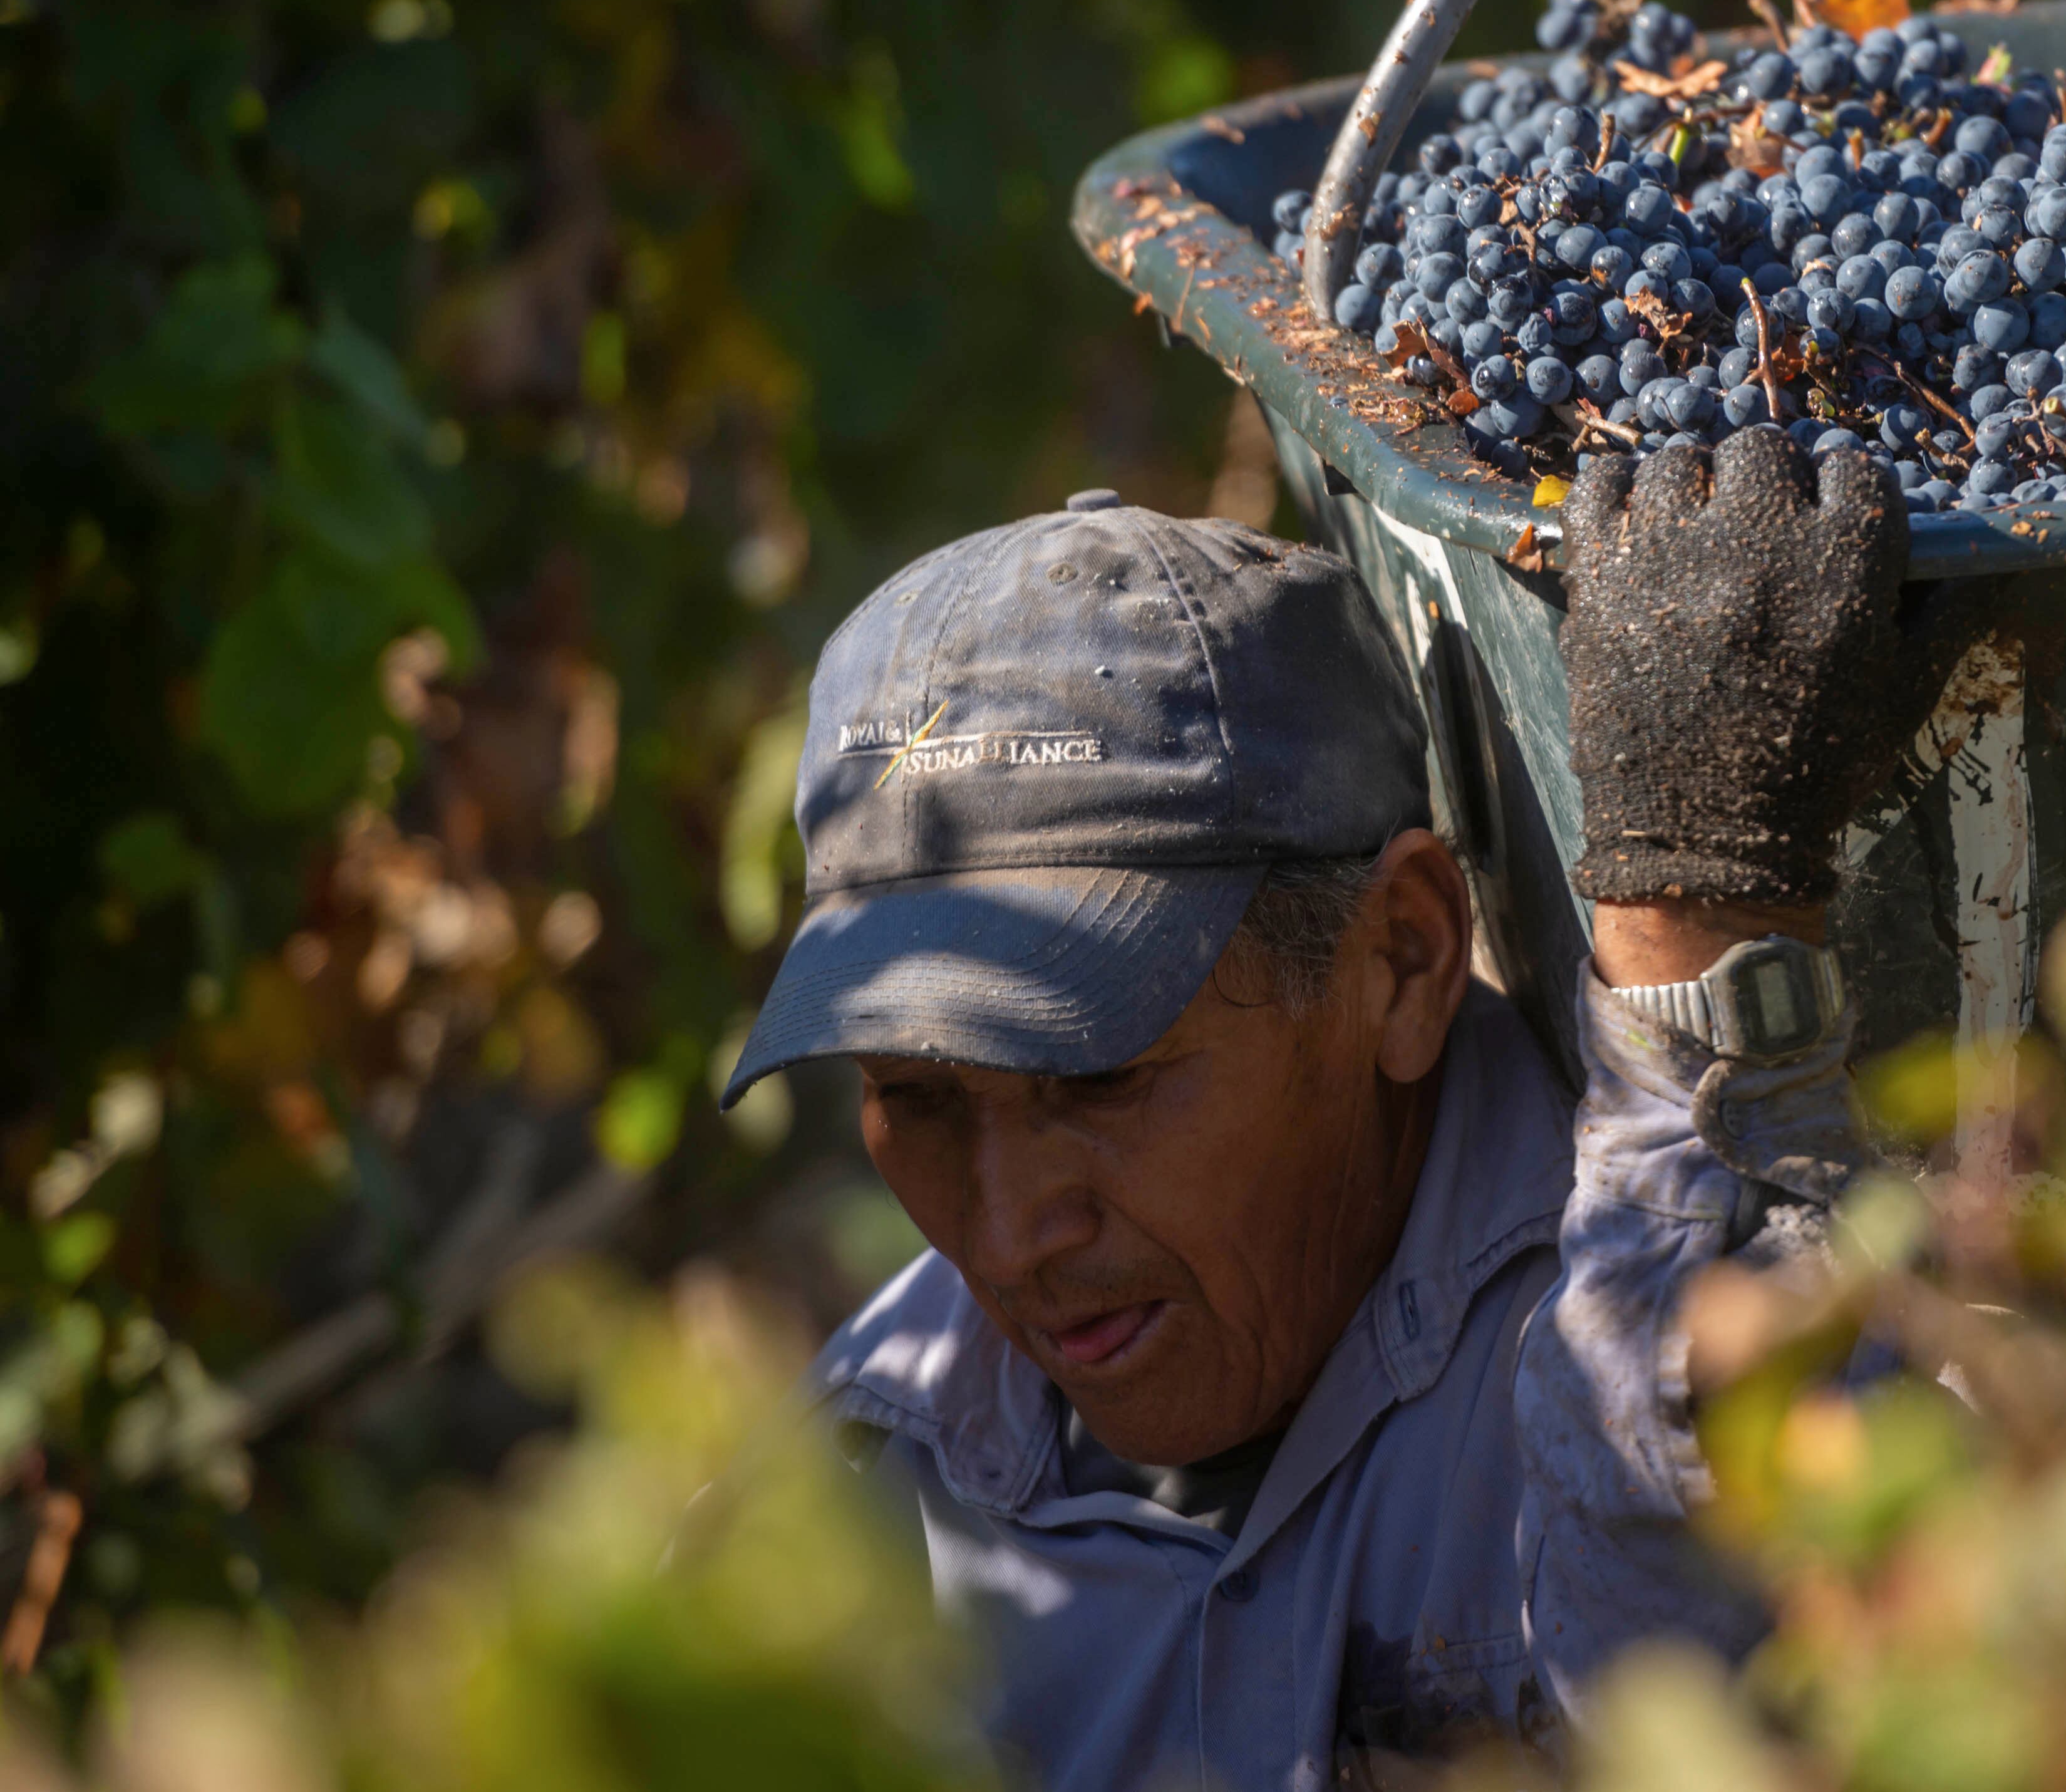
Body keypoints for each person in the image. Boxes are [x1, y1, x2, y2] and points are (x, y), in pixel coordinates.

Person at [721, 426, 1971, 1788]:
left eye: (1100, 1078)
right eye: (915, 1095)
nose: (1014, 1233)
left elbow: (1758, 1688)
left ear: (1403, 959)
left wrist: (1698, 967)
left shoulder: (1637, 1315)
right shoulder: (865, 1474)